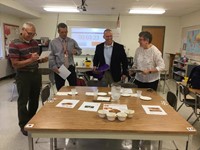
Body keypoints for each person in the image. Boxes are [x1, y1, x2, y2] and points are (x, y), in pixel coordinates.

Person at [9, 22, 48, 136]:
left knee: (35, 99)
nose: (31, 36)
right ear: (23, 30)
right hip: (23, 75)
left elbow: (35, 59)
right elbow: (15, 64)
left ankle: (32, 121)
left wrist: (41, 60)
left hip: (35, 74)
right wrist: (30, 60)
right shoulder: (14, 44)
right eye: (29, 33)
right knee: (23, 101)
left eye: (33, 34)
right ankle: (23, 125)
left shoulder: (35, 43)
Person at [49, 23, 82, 91]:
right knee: (60, 89)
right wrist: (54, 66)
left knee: (74, 87)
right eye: (62, 32)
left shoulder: (72, 41)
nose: (64, 34)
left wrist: (76, 52)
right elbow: (51, 56)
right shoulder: (53, 42)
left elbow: (80, 51)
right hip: (59, 68)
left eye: (66, 32)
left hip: (70, 66)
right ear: (58, 32)